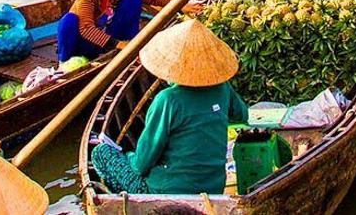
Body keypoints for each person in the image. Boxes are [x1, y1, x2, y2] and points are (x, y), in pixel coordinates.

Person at [89, 20, 247, 195]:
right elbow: (242, 115)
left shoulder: (168, 100)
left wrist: (129, 156)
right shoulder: (222, 88)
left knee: (100, 152)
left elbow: (141, 165)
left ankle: (131, 202)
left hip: (165, 191)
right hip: (213, 188)